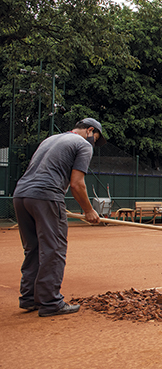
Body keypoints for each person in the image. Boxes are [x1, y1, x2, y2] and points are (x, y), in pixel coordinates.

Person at [13, 118, 107, 317]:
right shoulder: (82, 144)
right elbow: (77, 184)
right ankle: (50, 302)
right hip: (46, 195)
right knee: (53, 249)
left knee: (34, 248)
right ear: (90, 130)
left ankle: (29, 298)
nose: (94, 144)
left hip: (21, 195)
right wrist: (89, 210)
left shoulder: (51, 139)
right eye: (95, 138)